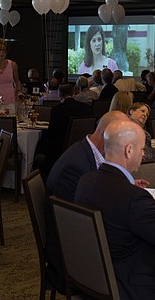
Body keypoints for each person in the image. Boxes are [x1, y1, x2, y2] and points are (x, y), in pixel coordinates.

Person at [74, 119, 155, 300]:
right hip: (132, 287)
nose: (142, 154)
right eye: (141, 150)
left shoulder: (87, 180)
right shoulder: (134, 199)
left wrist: (129, 186)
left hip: (94, 278)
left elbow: (114, 200)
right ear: (129, 150)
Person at [44, 111, 131, 293]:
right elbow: (81, 225)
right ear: (107, 136)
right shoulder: (75, 167)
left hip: (81, 242)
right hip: (72, 259)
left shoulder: (88, 152)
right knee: (141, 260)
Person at [39, 83, 95, 178]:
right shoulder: (86, 108)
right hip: (83, 149)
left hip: (59, 151)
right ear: (73, 94)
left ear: (59, 96)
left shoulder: (57, 110)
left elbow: (51, 134)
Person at [127, 101, 155, 187]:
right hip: (143, 169)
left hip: (147, 165)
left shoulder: (145, 133)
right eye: (142, 111)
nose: (145, 115)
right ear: (131, 111)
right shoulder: (128, 130)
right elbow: (145, 156)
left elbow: (149, 152)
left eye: (147, 114)